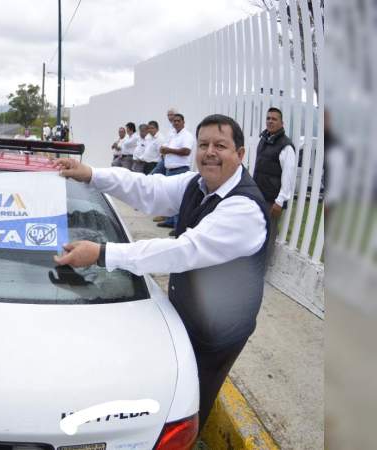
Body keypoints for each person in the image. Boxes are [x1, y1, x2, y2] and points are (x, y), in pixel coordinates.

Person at [53, 114, 269, 432]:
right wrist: (92, 175)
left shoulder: (244, 210)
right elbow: (149, 190)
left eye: (220, 145)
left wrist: (101, 253)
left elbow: (182, 251)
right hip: (188, 312)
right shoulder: (198, 184)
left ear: (240, 154)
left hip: (216, 333)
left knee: (188, 405)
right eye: (204, 144)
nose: (210, 151)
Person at [252, 107, 296, 257]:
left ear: (282, 123)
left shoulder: (286, 146)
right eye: (268, 118)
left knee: (267, 237)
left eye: (274, 119)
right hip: (258, 196)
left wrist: (280, 201)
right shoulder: (264, 139)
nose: (270, 121)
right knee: (253, 234)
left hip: (272, 201)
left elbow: (288, 175)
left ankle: (260, 272)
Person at [157, 113, 196, 234]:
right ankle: (170, 221)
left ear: (183, 122)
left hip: (180, 170)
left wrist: (167, 150)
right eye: (174, 121)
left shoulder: (187, 135)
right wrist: (164, 150)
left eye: (178, 121)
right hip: (170, 170)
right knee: (170, 198)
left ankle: (178, 225)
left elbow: (186, 151)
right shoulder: (173, 135)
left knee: (179, 199)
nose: (176, 123)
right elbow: (167, 147)